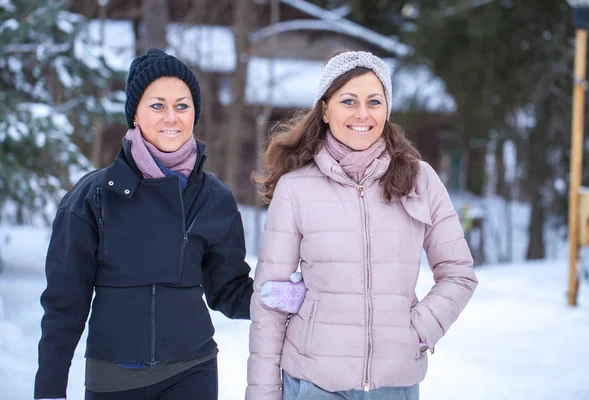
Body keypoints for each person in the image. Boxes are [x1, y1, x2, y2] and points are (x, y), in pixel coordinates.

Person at [34, 48, 303, 400]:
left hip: (192, 373)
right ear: (135, 115)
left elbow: (228, 290)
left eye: (182, 105)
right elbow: (63, 307)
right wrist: (48, 391)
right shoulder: (93, 197)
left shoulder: (213, 198)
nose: (171, 118)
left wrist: (276, 297)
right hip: (114, 379)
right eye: (157, 105)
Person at [246, 50, 479, 400]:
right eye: (348, 101)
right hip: (313, 382)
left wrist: (418, 331)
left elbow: (459, 272)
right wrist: (263, 393)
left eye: (374, 101)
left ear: (387, 109)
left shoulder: (420, 180)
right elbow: (270, 299)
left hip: (394, 384)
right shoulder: (296, 188)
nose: (362, 114)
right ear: (325, 110)